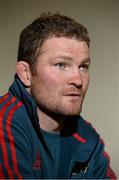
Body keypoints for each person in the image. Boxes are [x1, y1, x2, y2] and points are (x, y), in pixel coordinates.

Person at [0, 12, 117, 179]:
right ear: (26, 73)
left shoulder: (87, 136)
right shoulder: (4, 125)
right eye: (61, 65)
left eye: (83, 66)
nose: (78, 80)